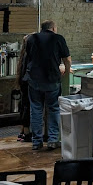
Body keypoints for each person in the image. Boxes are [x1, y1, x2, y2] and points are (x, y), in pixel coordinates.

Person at [24, 20, 71, 150]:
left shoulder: (31, 38)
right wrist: (66, 71)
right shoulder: (58, 38)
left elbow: (29, 57)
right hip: (52, 79)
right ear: (53, 28)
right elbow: (67, 59)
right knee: (54, 109)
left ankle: (36, 142)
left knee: (36, 110)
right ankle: (53, 140)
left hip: (34, 79)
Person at [15, 34, 33, 143]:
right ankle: (26, 132)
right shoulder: (30, 54)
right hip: (28, 83)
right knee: (27, 106)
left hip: (23, 82)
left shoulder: (23, 54)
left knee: (23, 105)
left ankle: (22, 131)